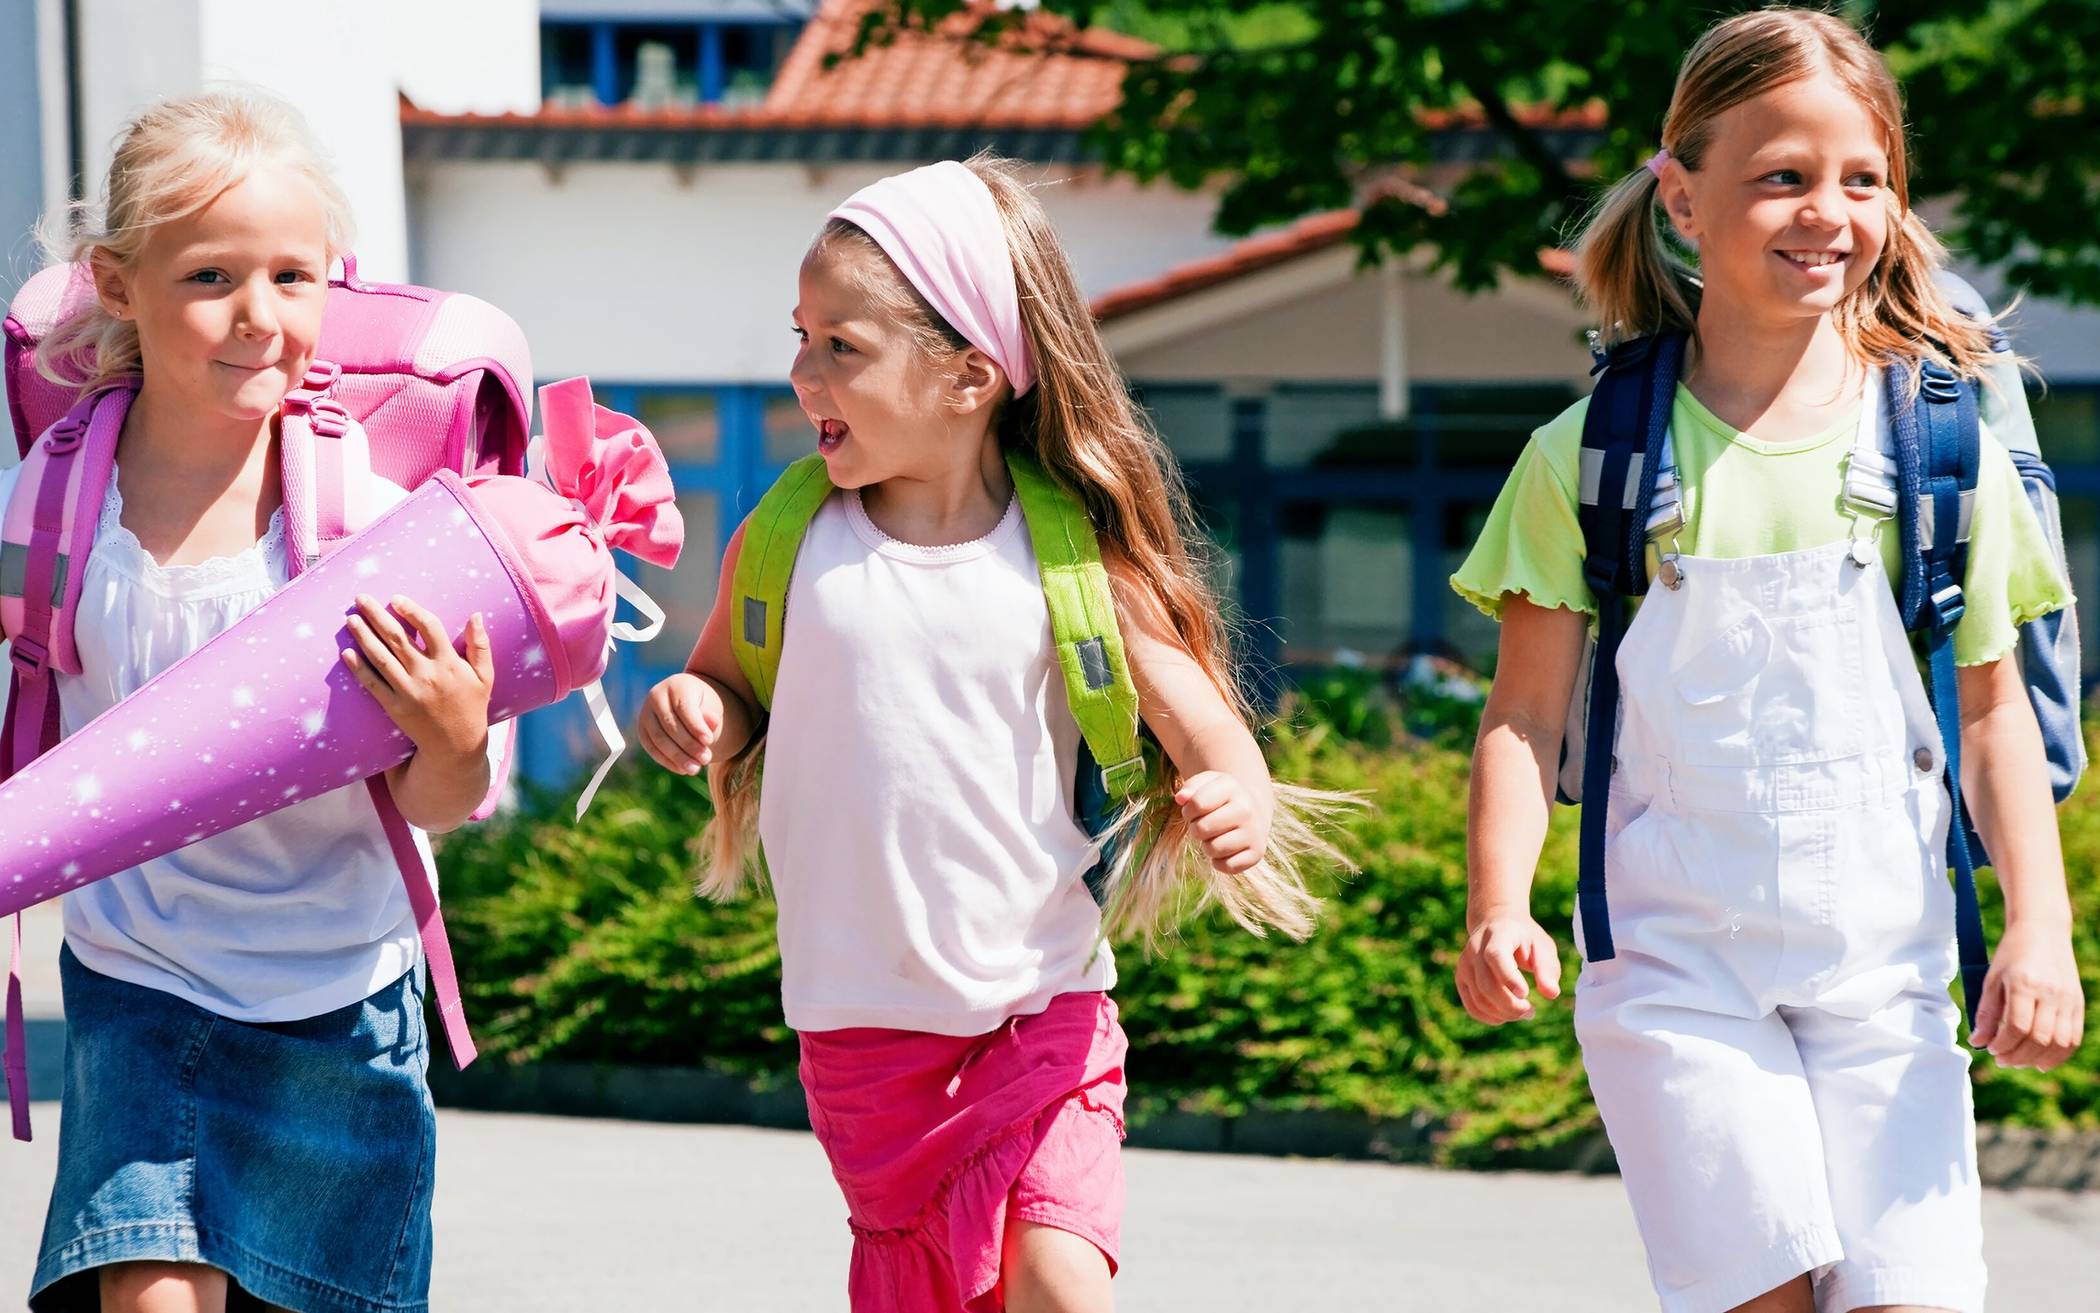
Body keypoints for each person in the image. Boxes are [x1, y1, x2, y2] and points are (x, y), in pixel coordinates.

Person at [1450, 10, 2085, 1312]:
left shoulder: (1941, 453)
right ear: (1681, 196)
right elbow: (1523, 717)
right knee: (1767, 1298)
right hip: (1677, 971)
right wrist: (1498, 902)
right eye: (1781, 176)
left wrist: (2041, 930)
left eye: (1863, 179)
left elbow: (1991, 716)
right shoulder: (1591, 457)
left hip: (1892, 971)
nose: (1826, 212)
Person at [639, 155, 1345, 1313]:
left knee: (1058, 1281)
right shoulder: (784, 543)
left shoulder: (1070, 561)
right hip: (862, 1030)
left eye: (841, 346)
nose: (800, 369)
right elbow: (724, 690)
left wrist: (1238, 797)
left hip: (1042, 1008)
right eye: (801, 336)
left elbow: (1219, 737)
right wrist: (692, 709)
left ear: (970, 374)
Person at [12, 88, 498, 1313]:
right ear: (117, 284)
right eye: (212, 276)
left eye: (293, 277)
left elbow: (443, 796)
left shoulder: (362, 530)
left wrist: (450, 732)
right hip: (140, 984)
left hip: (340, 1007)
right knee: (152, 1291)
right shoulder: (49, 509)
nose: (260, 317)